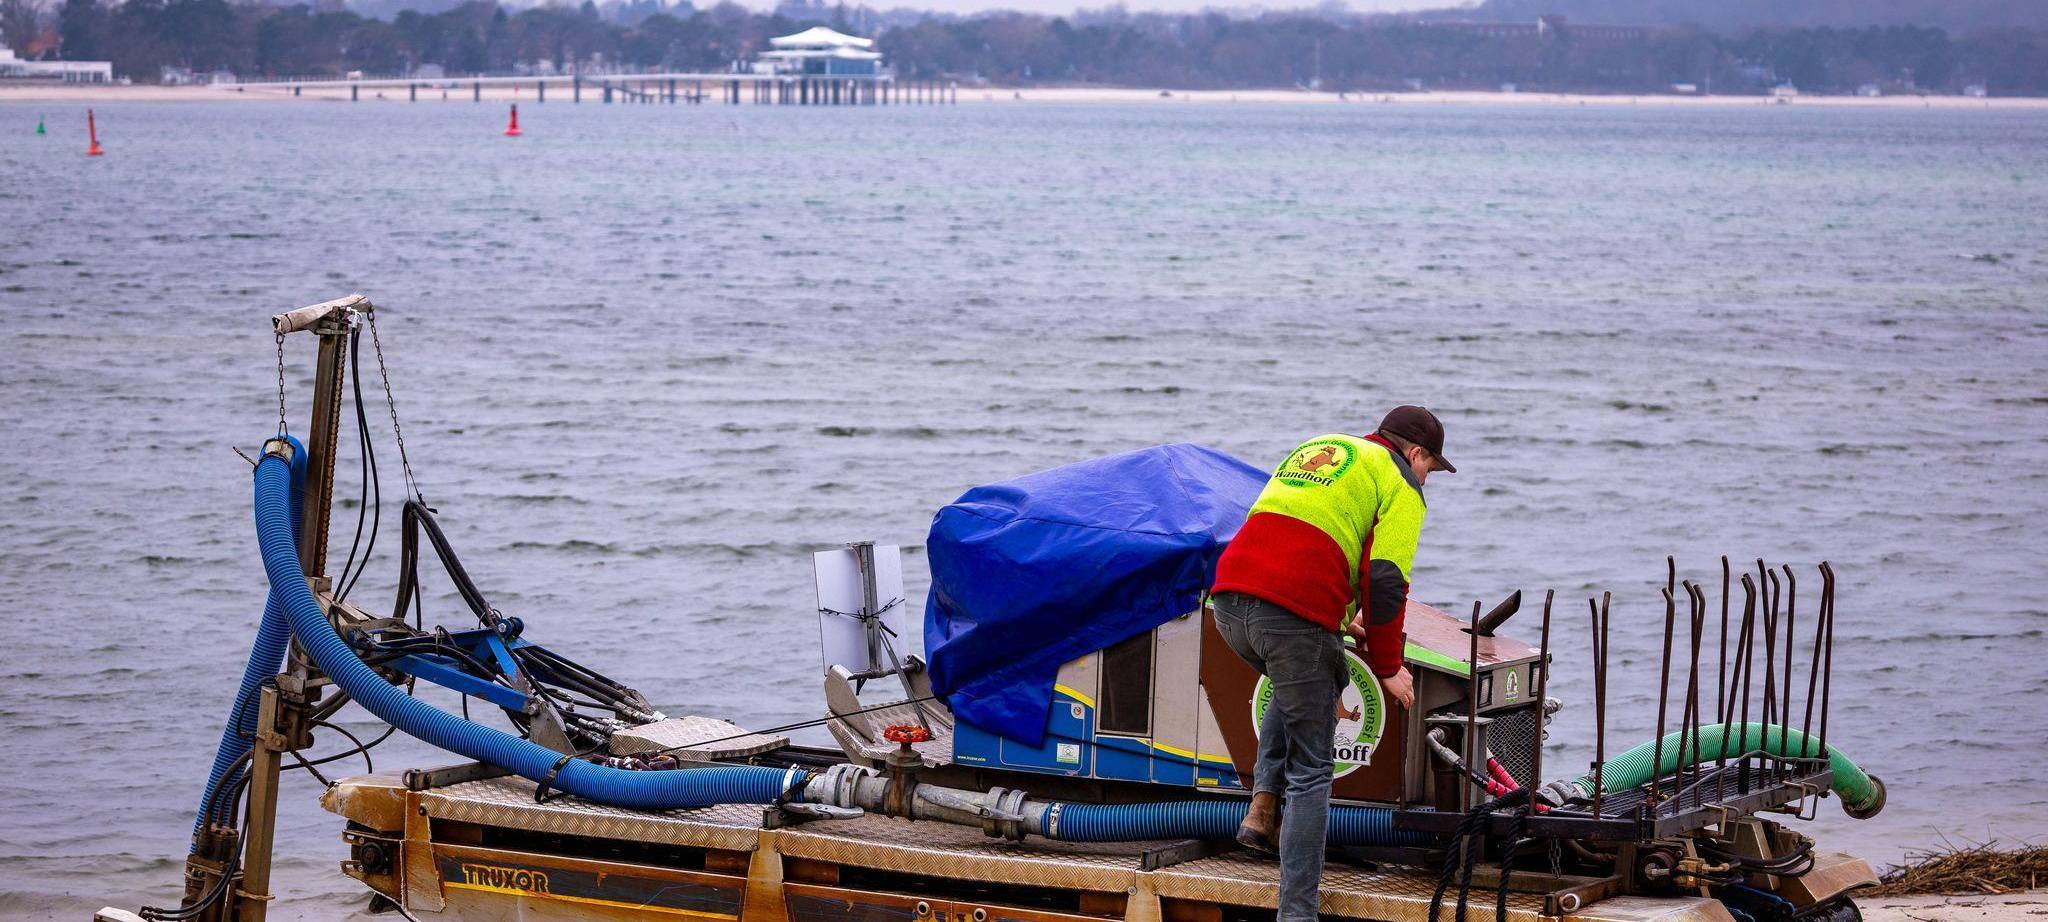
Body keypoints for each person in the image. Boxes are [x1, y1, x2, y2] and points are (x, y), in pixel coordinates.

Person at [1208, 406, 1453, 922]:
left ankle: (1261, 807)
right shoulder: (1401, 483)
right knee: (1313, 769)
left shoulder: (1325, 449)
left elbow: (1298, 540)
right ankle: (1297, 913)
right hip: (1289, 618)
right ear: (1415, 453)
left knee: (1306, 678)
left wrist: (1343, 615)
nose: (1427, 478)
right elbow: (1386, 579)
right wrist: (1387, 665)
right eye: (1431, 466)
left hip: (1228, 604)